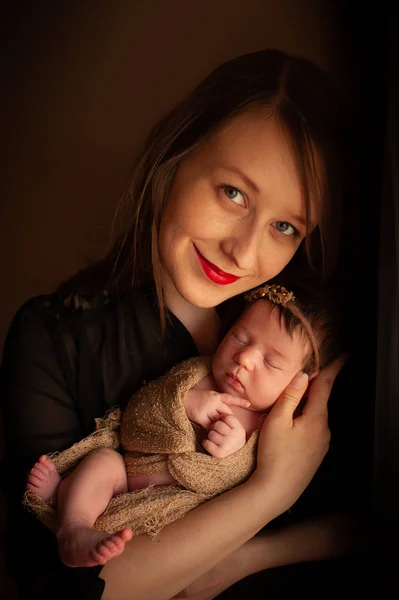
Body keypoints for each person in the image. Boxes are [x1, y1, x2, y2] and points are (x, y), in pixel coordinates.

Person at [0, 48, 357, 600]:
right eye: (233, 193)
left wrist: (247, 558)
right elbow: (59, 589)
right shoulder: (54, 337)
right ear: (176, 160)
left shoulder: (315, 339)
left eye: (285, 226)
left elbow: (372, 521)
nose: (242, 251)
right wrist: (270, 491)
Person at [25, 283, 342, 569]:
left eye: (271, 362)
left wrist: (232, 453)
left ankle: (74, 511)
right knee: (103, 462)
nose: (244, 358)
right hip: (127, 477)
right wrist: (183, 404)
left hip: (174, 513)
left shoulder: (269, 425)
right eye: (239, 337)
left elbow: (245, 480)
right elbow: (136, 417)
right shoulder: (196, 374)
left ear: (300, 382)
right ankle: (73, 524)